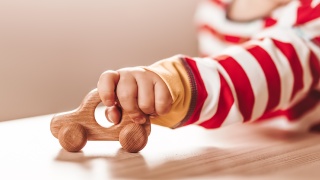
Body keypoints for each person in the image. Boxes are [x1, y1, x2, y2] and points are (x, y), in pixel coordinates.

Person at [97, 0, 320, 132]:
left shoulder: (312, 14)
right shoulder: (213, 9)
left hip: (301, 155)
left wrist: (177, 85)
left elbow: (275, 66)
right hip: (231, 147)